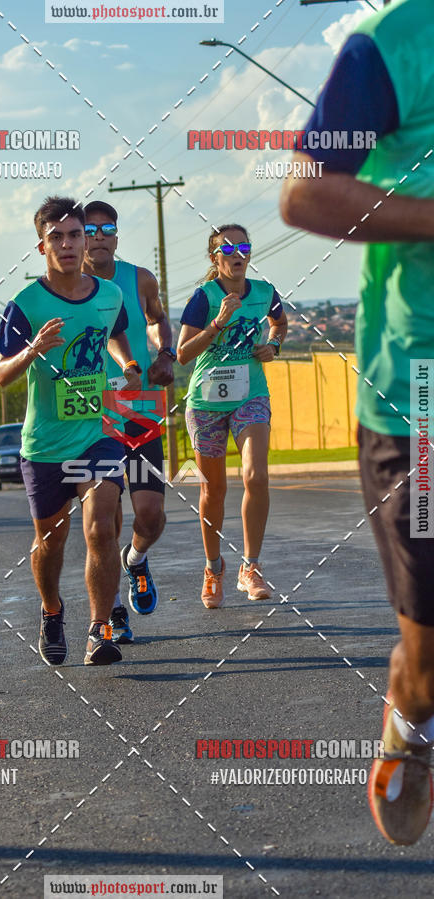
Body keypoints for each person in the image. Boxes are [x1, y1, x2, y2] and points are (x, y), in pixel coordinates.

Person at [280, 0, 434, 846]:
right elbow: (310, 193)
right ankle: (413, 704)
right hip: (423, 398)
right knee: (431, 653)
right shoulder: (394, 46)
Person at [0, 195, 142, 667]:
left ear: (86, 240)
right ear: (42, 247)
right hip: (44, 445)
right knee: (50, 542)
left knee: (101, 524)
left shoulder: (109, 294)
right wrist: (33, 349)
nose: (68, 243)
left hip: (96, 435)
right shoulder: (26, 304)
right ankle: (52, 610)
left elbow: (114, 331)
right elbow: (1, 374)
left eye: (75, 234)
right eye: (56, 237)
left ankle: (100, 630)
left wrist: (128, 361)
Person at [177, 225, 287, 607]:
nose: (237, 253)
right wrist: (219, 322)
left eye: (244, 246)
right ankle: (212, 568)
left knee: (256, 475)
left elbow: (280, 323)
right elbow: (183, 354)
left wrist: (273, 345)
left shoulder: (265, 293)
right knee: (214, 490)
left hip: (250, 395)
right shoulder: (203, 298)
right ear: (215, 259)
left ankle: (250, 567)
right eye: (228, 248)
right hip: (206, 402)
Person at [82, 200, 175, 644]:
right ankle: (114, 612)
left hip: (136, 405)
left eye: (107, 228)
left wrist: (165, 354)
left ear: (117, 236)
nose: (98, 235)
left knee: (151, 514)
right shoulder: (67, 286)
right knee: (105, 515)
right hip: (85, 412)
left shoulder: (139, 279)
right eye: (90, 228)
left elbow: (158, 319)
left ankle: (135, 559)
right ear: (78, 236)